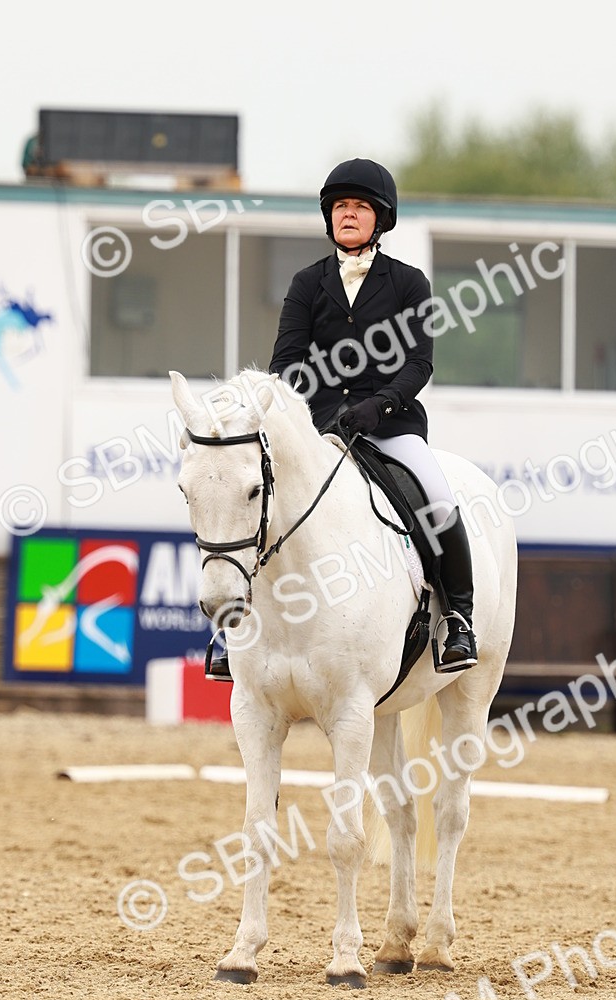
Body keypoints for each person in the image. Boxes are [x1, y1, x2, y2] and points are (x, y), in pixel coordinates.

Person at [207, 158, 476, 679]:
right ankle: (230, 628)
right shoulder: (308, 283)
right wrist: (316, 408)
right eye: (340, 207)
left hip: (390, 425)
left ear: (381, 219)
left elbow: (419, 362)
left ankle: (459, 619)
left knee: (438, 500)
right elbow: (286, 360)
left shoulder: (409, 283)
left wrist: (380, 405)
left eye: (359, 207)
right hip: (320, 426)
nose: (348, 215)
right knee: (256, 499)